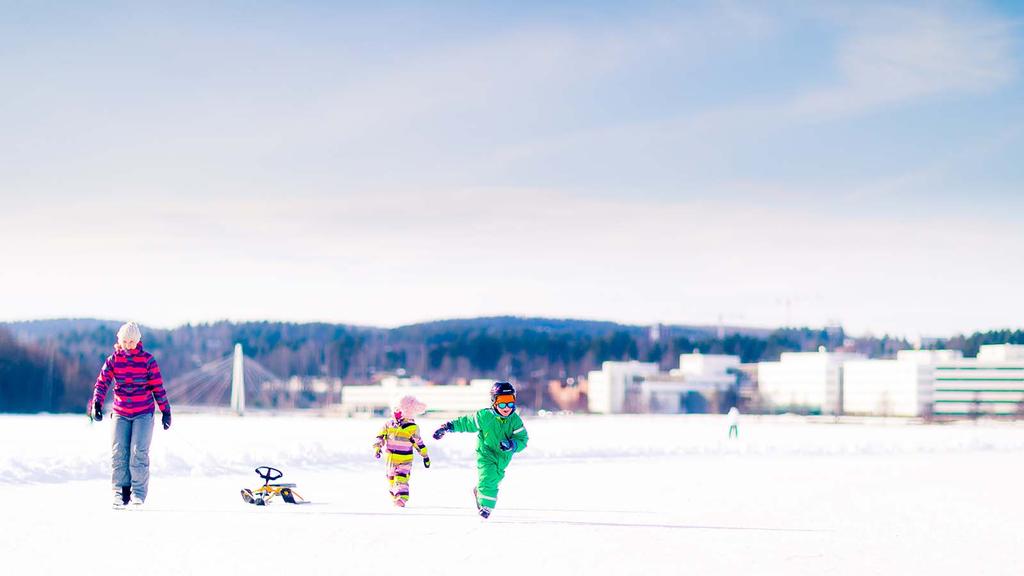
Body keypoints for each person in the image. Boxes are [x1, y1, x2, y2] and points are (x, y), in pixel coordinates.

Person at [89, 322, 171, 508]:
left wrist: (165, 410)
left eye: (132, 341)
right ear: (119, 341)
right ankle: (120, 492)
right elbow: (102, 383)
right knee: (119, 452)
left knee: (138, 453)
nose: (128, 345)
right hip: (121, 412)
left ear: (138, 341)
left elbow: (158, 387)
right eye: (125, 341)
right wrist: (97, 404)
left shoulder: (148, 361)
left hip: (143, 412)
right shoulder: (113, 360)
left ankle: (138, 494)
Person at [432, 381, 528, 519]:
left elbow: (522, 439)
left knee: (495, 478)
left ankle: (479, 492)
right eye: (502, 402)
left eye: (510, 402)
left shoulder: (515, 420)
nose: (506, 407)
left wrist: (512, 444)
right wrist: (447, 427)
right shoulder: (485, 416)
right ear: (494, 402)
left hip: (503, 457)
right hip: (486, 452)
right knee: (488, 477)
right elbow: (466, 423)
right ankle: (486, 507)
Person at [373, 395, 430, 507]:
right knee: (391, 479)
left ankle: (401, 498)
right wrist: (377, 447)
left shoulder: (412, 427)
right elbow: (380, 436)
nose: (397, 412)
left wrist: (425, 455)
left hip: (405, 459)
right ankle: (396, 497)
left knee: (402, 478)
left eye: (401, 409)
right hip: (390, 459)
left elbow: (418, 443)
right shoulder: (389, 424)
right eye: (396, 409)